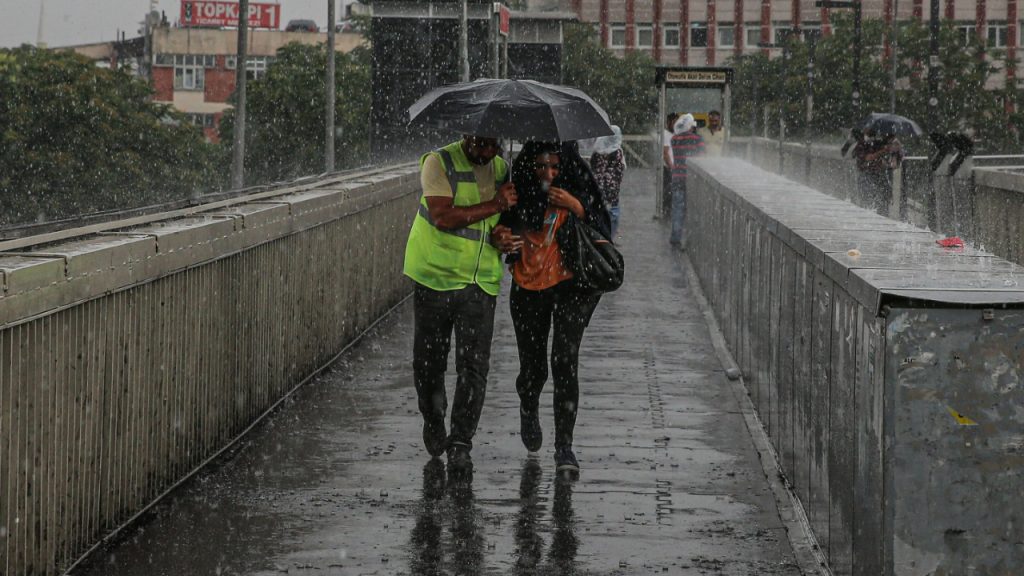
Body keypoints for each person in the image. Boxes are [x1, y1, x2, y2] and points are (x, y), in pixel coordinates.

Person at [403, 134, 523, 476]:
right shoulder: (438, 163)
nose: (486, 153)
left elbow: (501, 223)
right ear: (466, 136)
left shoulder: (502, 168)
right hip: (435, 276)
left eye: (493, 146)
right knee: (429, 364)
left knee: (474, 368)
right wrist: (496, 206)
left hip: (480, 281)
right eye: (479, 146)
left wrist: (503, 233)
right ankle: (433, 417)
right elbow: (442, 217)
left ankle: (460, 441)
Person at [498, 141, 611, 475]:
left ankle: (565, 448)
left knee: (565, 362)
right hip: (529, 288)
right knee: (534, 368)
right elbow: (500, 228)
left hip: (571, 287)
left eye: (555, 167)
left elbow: (603, 229)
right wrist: (503, 236)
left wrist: (577, 206)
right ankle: (528, 404)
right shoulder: (518, 191)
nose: (548, 174)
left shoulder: (579, 186)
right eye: (542, 166)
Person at [669, 113, 706, 248]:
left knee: (678, 208)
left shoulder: (674, 139)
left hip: (677, 177)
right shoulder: (698, 139)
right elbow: (702, 156)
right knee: (694, 208)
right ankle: (692, 240)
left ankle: (675, 237)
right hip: (692, 179)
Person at [852, 129, 904, 216]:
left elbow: (896, 156)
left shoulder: (878, 143)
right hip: (866, 175)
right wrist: (883, 151)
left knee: (882, 203)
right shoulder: (861, 144)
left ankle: (882, 215)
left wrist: (896, 147)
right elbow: (868, 158)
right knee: (868, 202)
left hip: (879, 175)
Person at [589, 125, 626, 238]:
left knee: (598, 211)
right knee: (613, 213)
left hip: (597, 189)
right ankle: (610, 237)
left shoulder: (597, 151)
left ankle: (599, 235)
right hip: (612, 190)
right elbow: (621, 169)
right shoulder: (617, 152)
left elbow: (592, 166)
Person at [662, 113, 679, 218]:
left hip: (676, 167)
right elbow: (665, 153)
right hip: (670, 168)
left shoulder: (676, 134)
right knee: (669, 191)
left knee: (674, 191)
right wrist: (672, 166)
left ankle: (671, 211)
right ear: (669, 123)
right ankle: (667, 212)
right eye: (674, 122)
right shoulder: (666, 134)